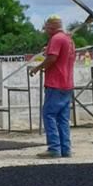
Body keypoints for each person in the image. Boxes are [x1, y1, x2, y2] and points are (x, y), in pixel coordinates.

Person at [29, 15, 75, 158]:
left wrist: (37, 68)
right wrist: (48, 49)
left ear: (52, 27)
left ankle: (54, 148)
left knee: (49, 114)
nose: (45, 30)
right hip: (67, 84)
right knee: (62, 118)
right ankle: (65, 149)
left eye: (47, 27)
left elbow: (52, 58)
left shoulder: (56, 39)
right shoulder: (68, 39)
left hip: (55, 83)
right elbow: (59, 55)